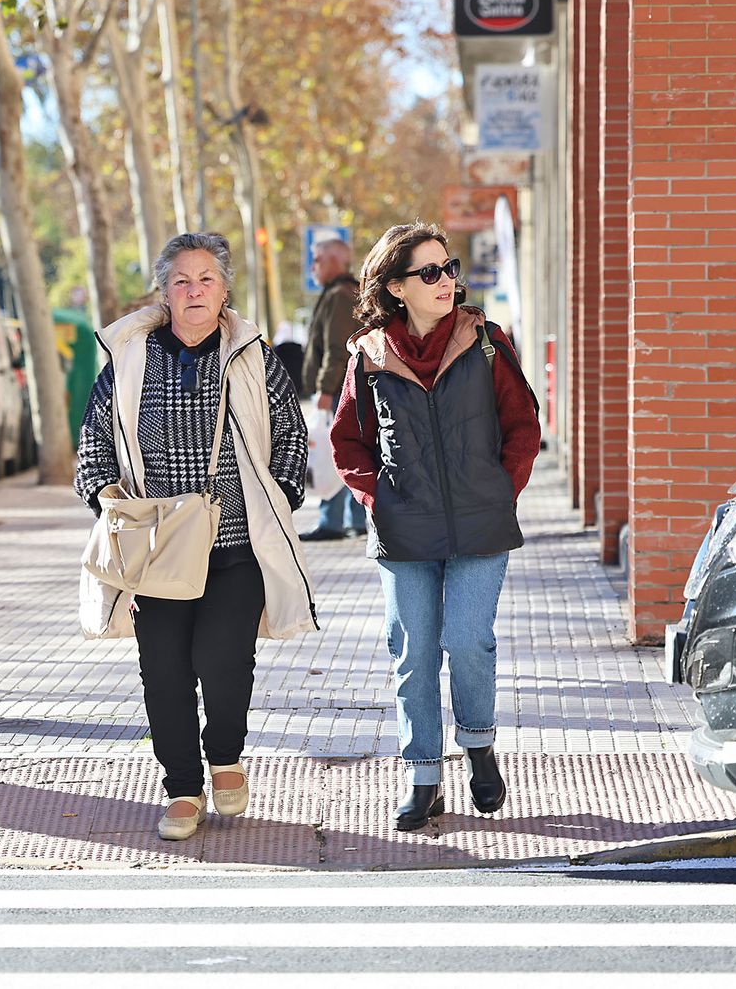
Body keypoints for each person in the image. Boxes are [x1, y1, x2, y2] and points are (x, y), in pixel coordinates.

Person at [75, 232, 316, 841]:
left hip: (235, 547)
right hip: (156, 555)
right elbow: (93, 449)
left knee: (223, 661)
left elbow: (291, 438)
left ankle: (226, 756)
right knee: (163, 672)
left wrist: (278, 501)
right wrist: (111, 505)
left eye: (206, 279)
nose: (194, 291)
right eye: (181, 280)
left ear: (225, 290)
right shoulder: (130, 360)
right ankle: (182, 788)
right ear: (164, 292)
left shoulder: (252, 357)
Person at [330, 222, 540, 831]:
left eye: (449, 269)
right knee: (413, 652)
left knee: (467, 639)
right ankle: (423, 776)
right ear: (396, 287)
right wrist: (380, 501)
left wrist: (502, 490)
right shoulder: (368, 359)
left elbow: (522, 426)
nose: (446, 281)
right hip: (403, 531)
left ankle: (478, 746)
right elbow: (349, 441)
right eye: (430, 273)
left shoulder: (486, 344)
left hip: (481, 525)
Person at [299, 238, 367, 542]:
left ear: (336, 261)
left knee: (333, 453)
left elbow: (337, 350)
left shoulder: (340, 295)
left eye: (318, 260)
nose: (312, 267)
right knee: (348, 449)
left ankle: (333, 521)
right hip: (344, 388)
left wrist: (325, 391)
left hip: (339, 389)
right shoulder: (342, 292)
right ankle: (353, 519)